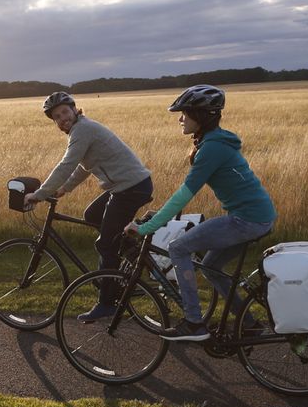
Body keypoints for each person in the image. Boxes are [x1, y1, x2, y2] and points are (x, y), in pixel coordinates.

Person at [126, 84, 276, 341]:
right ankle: (249, 323)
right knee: (210, 265)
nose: (180, 118)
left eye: (185, 113)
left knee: (178, 248)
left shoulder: (212, 149)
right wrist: (159, 215)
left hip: (247, 220)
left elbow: (185, 193)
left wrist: (148, 228)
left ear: (202, 116)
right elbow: (183, 196)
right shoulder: (212, 143)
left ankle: (194, 323)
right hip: (257, 217)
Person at [25, 91, 153, 321]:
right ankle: (131, 253)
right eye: (57, 116)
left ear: (74, 109)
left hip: (130, 188)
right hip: (128, 186)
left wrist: (40, 194)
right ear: (55, 122)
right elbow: (85, 166)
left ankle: (106, 303)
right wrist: (65, 188)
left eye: (65, 111)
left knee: (105, 245)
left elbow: (67, 164)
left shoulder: (82, 129)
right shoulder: (81, 129)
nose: (62, 118)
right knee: (93, 214)